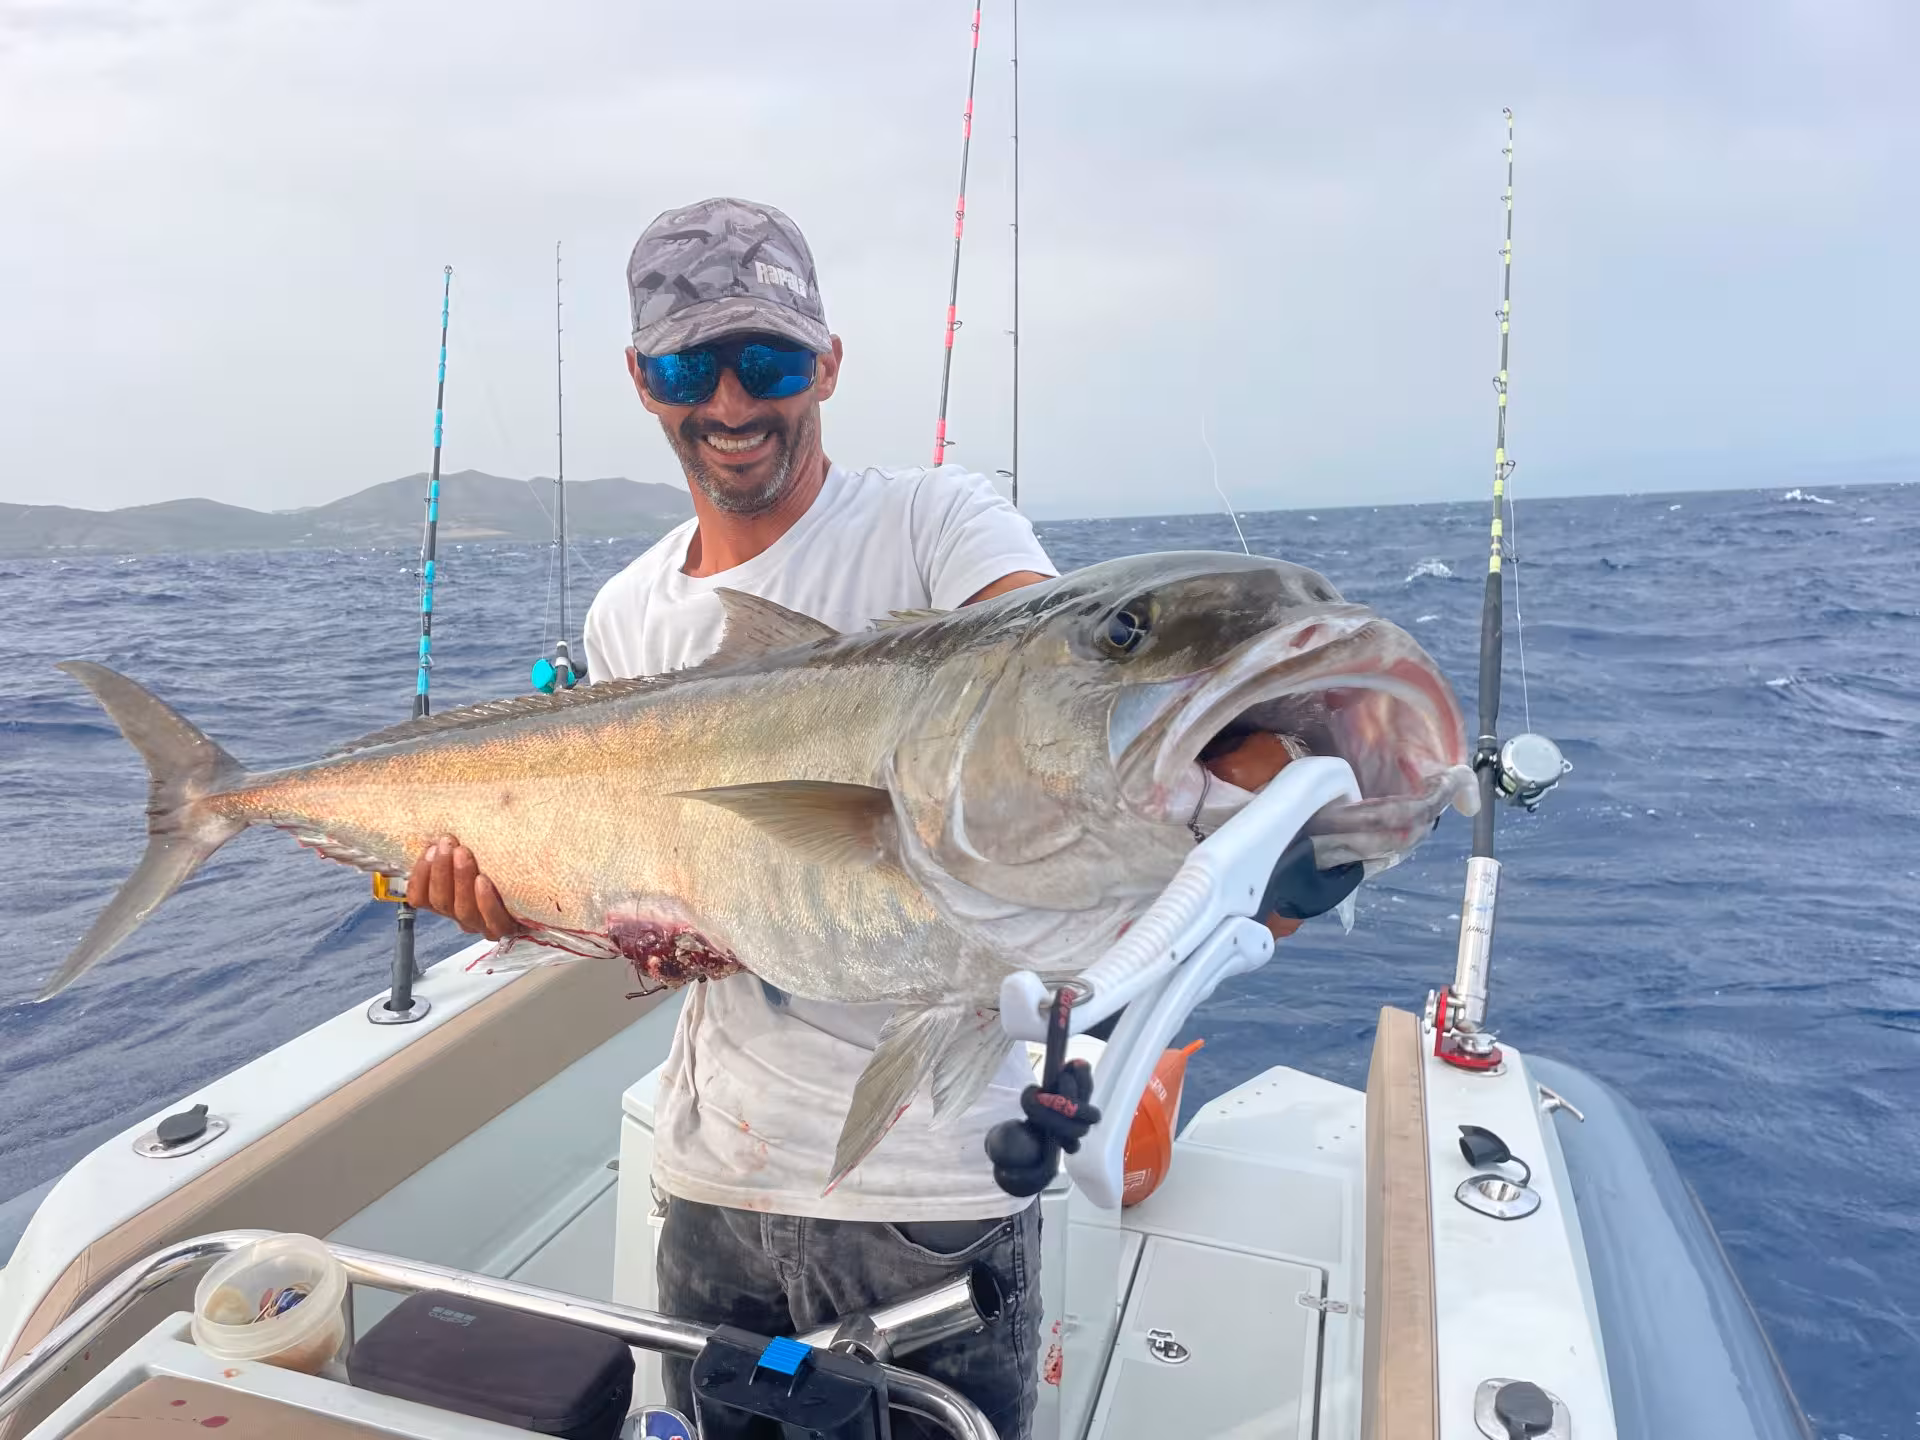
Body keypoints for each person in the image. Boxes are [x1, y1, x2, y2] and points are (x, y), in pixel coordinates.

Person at [404, 197, 1349, 1439]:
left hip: (933, 1184)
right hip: (713, 1172)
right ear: (644, 381)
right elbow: (671, 887)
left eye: (772, 362)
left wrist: (1263, 766)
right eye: (692, 366)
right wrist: (533, 908)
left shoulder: (941, 525)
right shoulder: (628, 614)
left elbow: (1047, 669)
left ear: (828, 365)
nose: (733, 403)